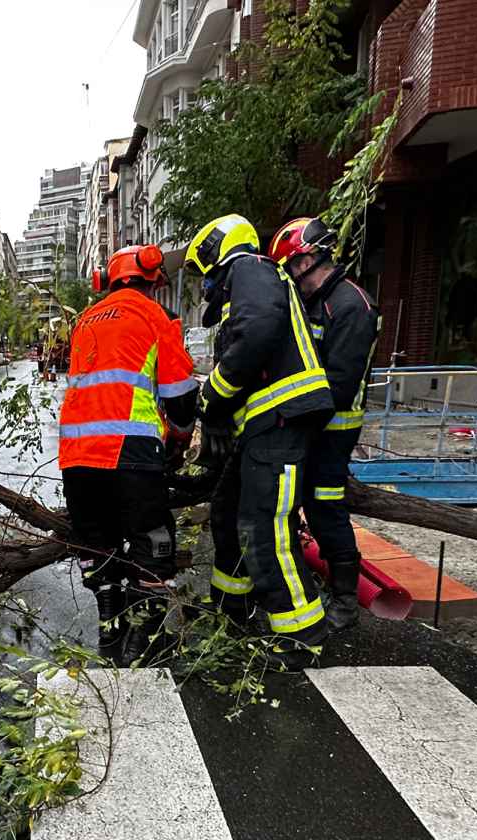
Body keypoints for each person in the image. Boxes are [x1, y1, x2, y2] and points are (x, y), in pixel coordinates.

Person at [187, 214, 334, 667]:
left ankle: (301, 634)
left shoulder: (249, 268)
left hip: (283, 421)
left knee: (264, 528)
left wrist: (212, 392)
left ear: (217, 251)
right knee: (229, 515)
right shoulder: (245, 281)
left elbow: (253, 340)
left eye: (207, 273)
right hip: (263, 427)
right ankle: (231, 610)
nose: (207, 284)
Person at [59, 244, 198, 664]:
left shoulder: (85, 320)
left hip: (76, 454)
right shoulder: (154, 316)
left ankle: (109, 631)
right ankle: (144, 643)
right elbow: (179, 393)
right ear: (153, 281)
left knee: (97, 544)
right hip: (129, 449)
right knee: (152, 543)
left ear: (108, 279)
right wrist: (180, 434)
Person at [268, 217, 380, 633]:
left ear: (307, 260)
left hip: (334, 430)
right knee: (291, 501)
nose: (294, 280)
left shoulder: (351, 306)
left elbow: (338, 384)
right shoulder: (315, 303)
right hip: (308, 426)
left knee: (325, 507)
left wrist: (287, 413)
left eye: (293, 269)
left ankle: (346, 601)